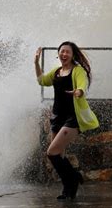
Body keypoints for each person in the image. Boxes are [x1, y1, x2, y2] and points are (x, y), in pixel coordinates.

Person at [35, 41, 99, 199]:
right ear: (58, 54)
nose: (64, 54)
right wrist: (36, 63)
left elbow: (82, 86)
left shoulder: (78, 71)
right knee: (59, 155)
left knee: (52, 152)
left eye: (67, 52)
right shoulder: (56, 72)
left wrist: (78, 92)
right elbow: (42, 81)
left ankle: (74, 177)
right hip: (57, 117)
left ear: (72, 55)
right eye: (62, 51)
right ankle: (68, 190)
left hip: (73, 117)